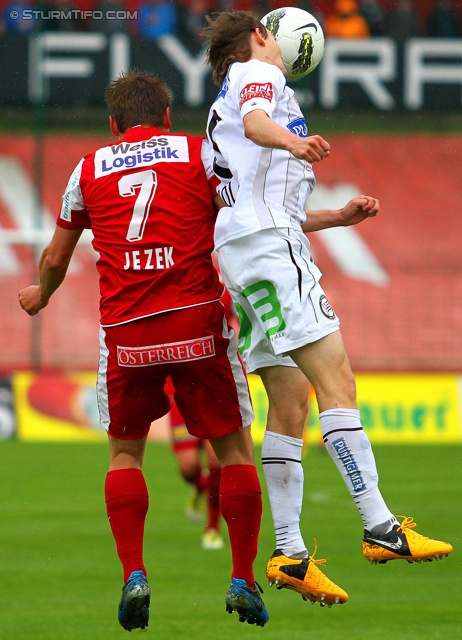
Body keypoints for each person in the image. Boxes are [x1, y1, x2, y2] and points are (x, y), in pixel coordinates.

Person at [201, 10, 453, 608]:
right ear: (263, 35)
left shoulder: (223, 103)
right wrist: (297, 141)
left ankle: (288, 553)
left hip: (243, 250)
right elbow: (263, 124)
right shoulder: (255, 72)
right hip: (269, 247)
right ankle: (381, 527)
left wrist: (335, 219)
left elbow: (256, 188)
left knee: (289, 401)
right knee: (337, 379)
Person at [18, 70, 269, 630]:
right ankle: (242, 579)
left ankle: (134, 572)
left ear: (113, 124)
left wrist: (41, 295)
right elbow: (244, 218)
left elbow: (56, 259)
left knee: (126, 456)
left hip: (128, 337)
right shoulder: (200, 154)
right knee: (233, 453)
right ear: (167, 117)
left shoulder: (87, 169)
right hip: (198, 326)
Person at [166, 377, 224, 550]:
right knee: (188, 469)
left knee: (216, 459)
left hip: (212, 390)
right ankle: (200, 486)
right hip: (179, 393)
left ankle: (213, 527)